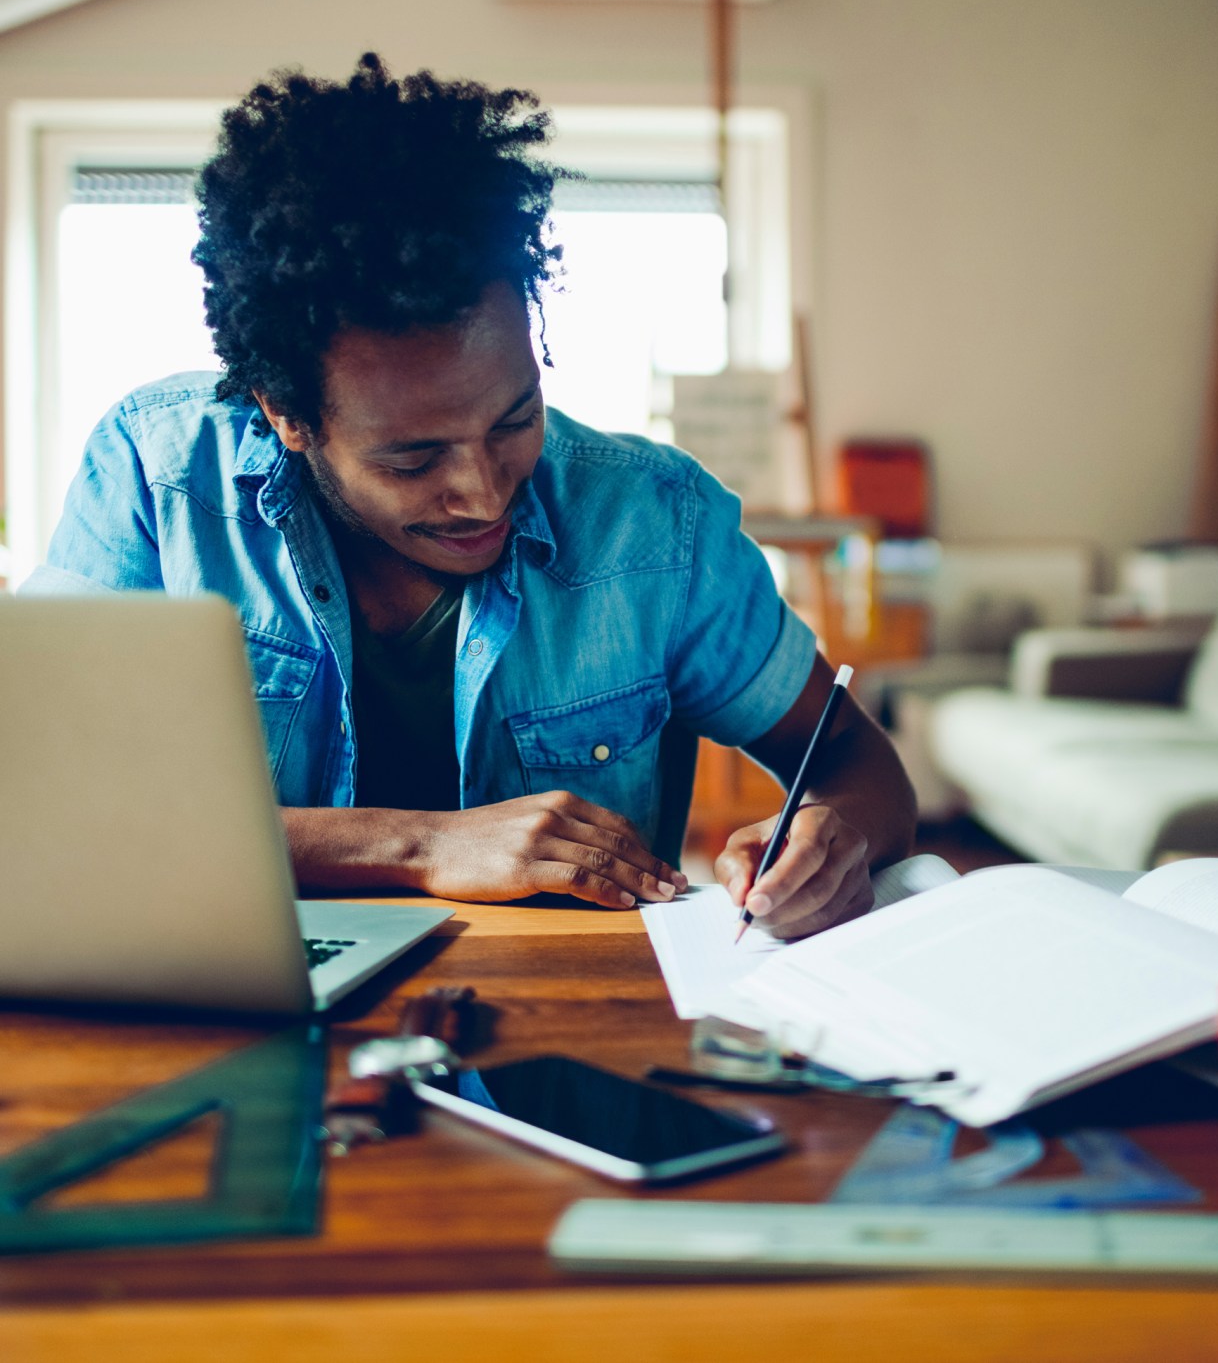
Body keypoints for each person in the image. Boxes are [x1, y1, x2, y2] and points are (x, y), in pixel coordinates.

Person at [27, 53, 916, 940]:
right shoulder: (159, 477)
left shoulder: (657, 525)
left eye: (513, 418)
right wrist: (415, 845)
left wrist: (831, 834)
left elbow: (853, 759)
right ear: (287, 415)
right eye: (413, 460)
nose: (484, 491)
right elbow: (42, 810)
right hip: (242, 1028)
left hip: (567, 1048)